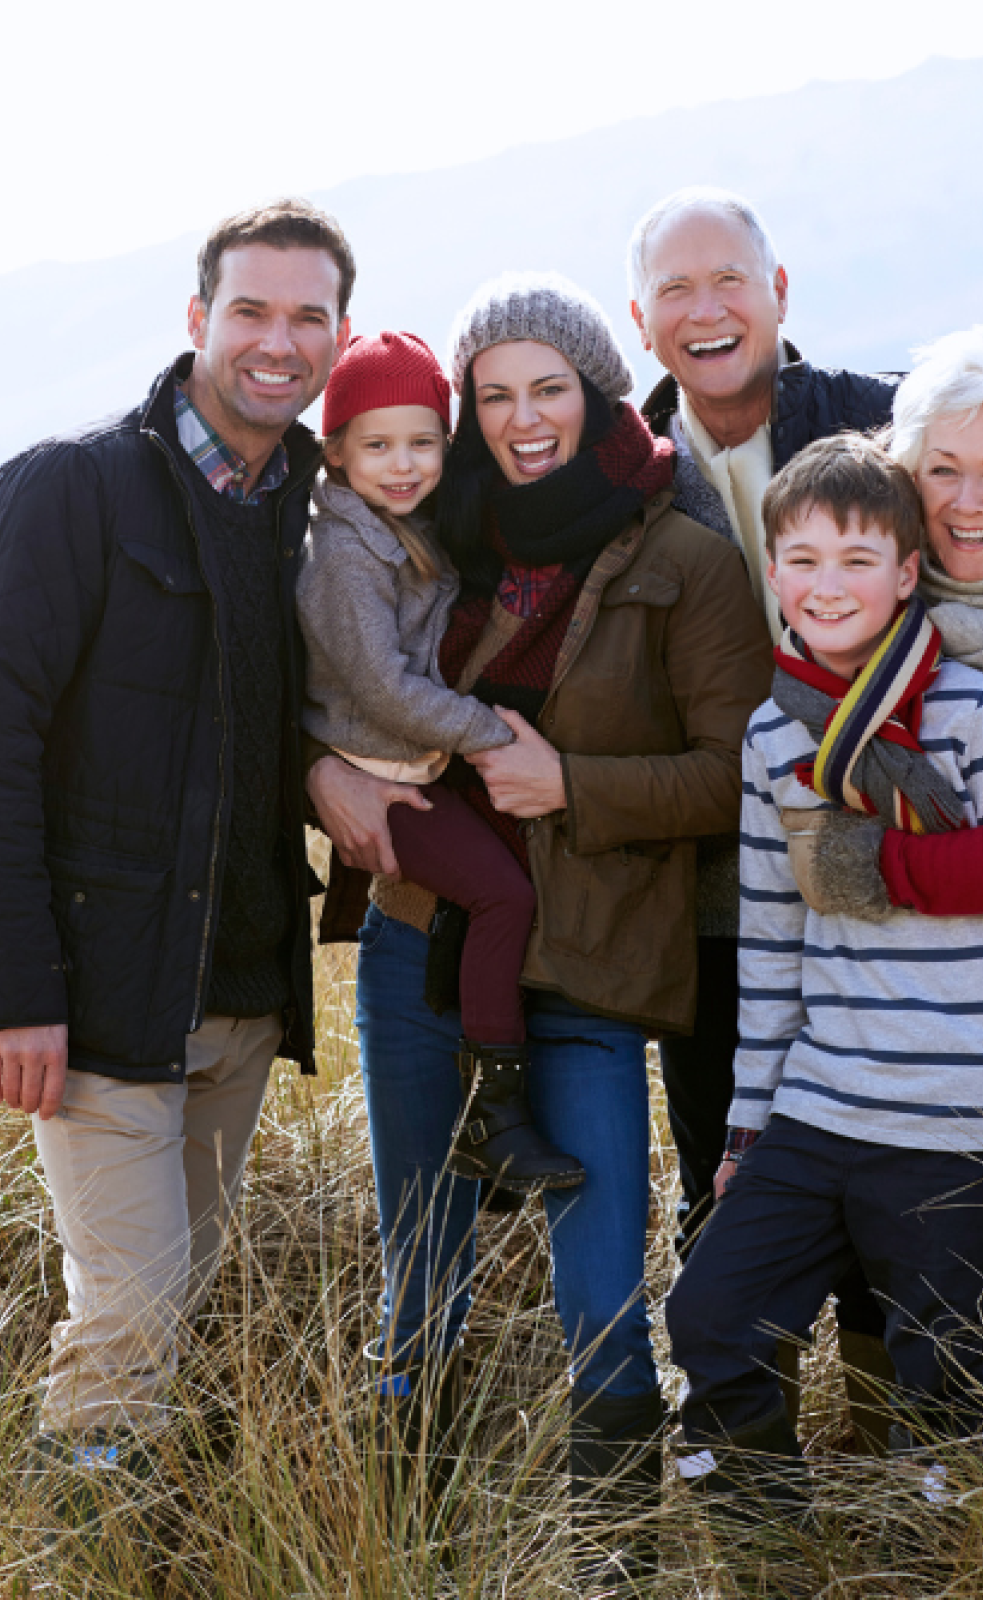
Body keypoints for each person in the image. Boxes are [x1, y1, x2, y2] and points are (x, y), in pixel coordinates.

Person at [0, 199, 352, 1543]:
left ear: (338, 334)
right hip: (95, 1005)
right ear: (198, 321)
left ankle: (116, 1539)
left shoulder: (306, 518)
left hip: (242, 999)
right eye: (250, 312)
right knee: (132, 1318)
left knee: (166, 1301)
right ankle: (71, 1553)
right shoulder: (67, 491)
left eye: (306, 316)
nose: (278, 342)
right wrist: (15, 993)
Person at [306, 272, 769, 1584]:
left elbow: (737, 774)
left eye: (547, 390)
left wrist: (574, 786)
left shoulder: (680, 554)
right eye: (493, 396)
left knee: (606, 1298)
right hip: (417, 941)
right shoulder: (436, 530)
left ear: (596, 390)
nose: (521, 420)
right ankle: (405, 1551)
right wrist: (317, 773)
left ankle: (609, 1564)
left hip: (596, 959)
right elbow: (335, 677)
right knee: (419, 1272)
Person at [666, 434, 983, 1572]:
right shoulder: (770, 733)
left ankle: (937, 1561)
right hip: (816, 1111)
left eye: (858, 555)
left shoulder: (970, 709)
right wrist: (748, 1127)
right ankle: (777, 1561)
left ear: (909, 573)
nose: (828, 583)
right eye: (801, 558)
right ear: (774, 573)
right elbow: (775, 944)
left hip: (952, 1125)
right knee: (708, 1321)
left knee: (948, 1381)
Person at [628, 185, 901, 1444]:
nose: (706, 309)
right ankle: (749, 1441)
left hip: (882, 869)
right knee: (724, 1158)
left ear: (779, 290)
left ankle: (902, 1432)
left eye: (728, 279)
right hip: (708, 893)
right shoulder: (623, 474)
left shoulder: (877, 420)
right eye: (676, 290)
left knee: (889, 1159)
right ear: (642, 320)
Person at [296, 330, 582, 1194]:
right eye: (377, 445)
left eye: (422, 442)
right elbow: (383, 690)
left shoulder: (406, 528)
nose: (403, 464)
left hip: (413, 762)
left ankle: (484, 1113)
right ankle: (495, 1116)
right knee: (503, 894)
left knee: (505, 887)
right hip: (379, 770)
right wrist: (490, 732)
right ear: (336, 450)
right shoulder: (344, 553)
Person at [799, 326, 983, 918]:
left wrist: (878, 864)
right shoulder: (856, 625)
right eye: (943, 470)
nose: (969, 501)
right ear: (906, 476)